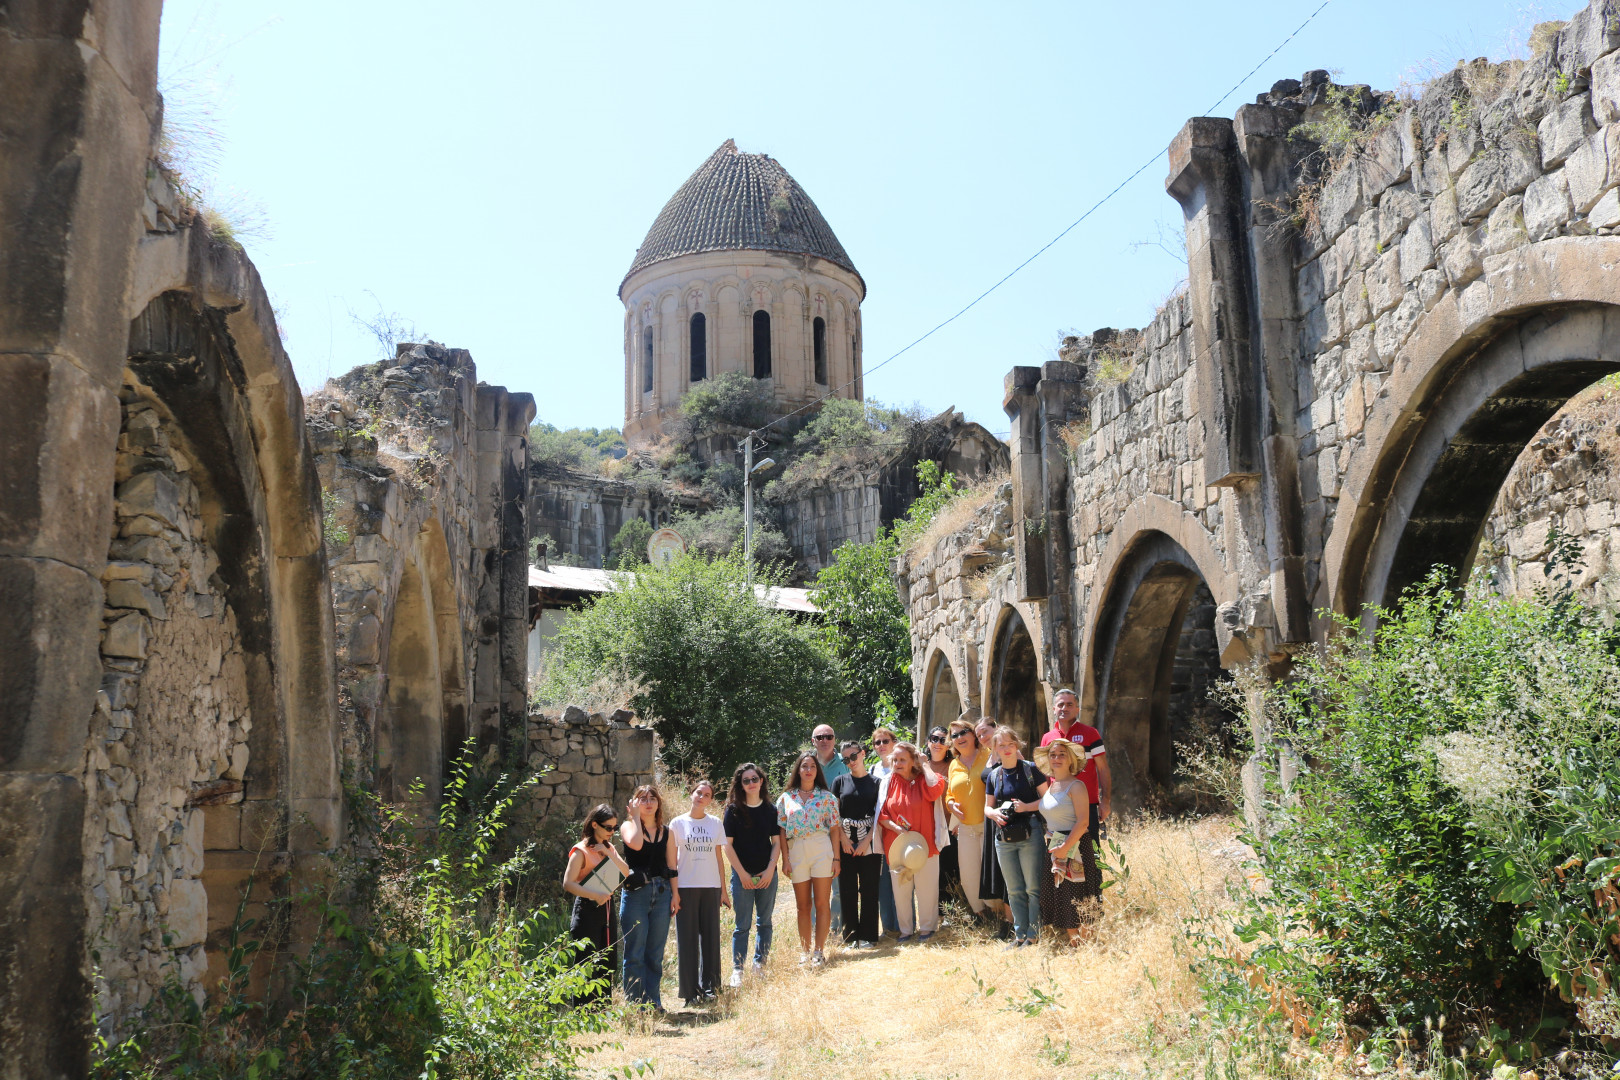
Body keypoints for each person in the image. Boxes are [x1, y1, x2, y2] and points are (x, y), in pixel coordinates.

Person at [1038, 688, 1111, 924]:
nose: (1064, 708)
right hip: (1059, 811)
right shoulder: (1048, 738)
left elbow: (1102, 768)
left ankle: (1092, 916)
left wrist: (1105, 800)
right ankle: (1066, 919)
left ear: (1077, 708)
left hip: (1084, 807)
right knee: (1061, 865)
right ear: (1054, 708)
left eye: (1069, 704)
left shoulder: (1089, 733)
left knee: (1088, 863)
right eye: (1060, 704)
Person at [875, 741, 947, 942]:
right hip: (897, 847)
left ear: (912, 761)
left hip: (926, 846)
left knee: (927, 890)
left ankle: (927, 928)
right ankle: (906, 931)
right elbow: (881, 815)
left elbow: (935, 791)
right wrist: (897, 828)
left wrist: (925, 765)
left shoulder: (925, 779)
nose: (897, 763)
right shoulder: (888, 782)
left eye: (902, 760)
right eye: (895, 759)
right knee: (901, 891)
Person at [983, 726, 1048, 947]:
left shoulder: (1031, 769)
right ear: (995, 749)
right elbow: (987, 808)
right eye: (1001, 745)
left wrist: (1027, 806)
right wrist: (994, 813)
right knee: (1014, 889)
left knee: (1032, 887)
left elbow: (1049, 799)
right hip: (1004, 838)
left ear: (1017, 744)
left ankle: (1033, 934)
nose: (1007, 748)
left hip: (1031, 833)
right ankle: (1019, 935)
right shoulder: (994, 775)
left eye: (1010, 743)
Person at [776, 751, 842, 966]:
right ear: (798, 769)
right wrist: (785, 859)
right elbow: (782, 831)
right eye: (804, 766)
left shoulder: (827, 797)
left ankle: (819, 952)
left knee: (822, 903)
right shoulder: (786, 798)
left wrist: (836, 859)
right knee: (802, 905)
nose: (808, 770)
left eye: (812, 766)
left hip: (821, 848)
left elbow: (834, 829)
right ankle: (805, 952)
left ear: (817, 770)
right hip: (797, 850)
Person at [669, 779, 730, 1006]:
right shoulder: (677, 823)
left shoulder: (715, 823)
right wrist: (674, 891)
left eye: (707, 794)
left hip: (711, 887)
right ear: (691, 794)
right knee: (687, 940)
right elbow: (672, 861)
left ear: (711, 800)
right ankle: (689, 992)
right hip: (685, 886)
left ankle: (711, 988)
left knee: (711, 939)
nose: (701, 797)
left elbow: (718, 858)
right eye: (698, 792)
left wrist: (723, 890)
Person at [563, 803, 631, 1001]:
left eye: (614, 828)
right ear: (594, 825)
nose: (612, 832)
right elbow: (568, 884)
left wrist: (609, 853)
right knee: (585, 961)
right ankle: (583, 1013)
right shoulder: (580, 851)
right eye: (608, 827)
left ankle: (601, 1010)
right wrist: (593, 894)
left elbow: (625, 872)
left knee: (605, 959)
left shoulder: (608, 848)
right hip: (586, 910)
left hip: (606, 909)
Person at [721, 762, 781, 985]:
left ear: (761, 781)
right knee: (742, 925)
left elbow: (776, 842)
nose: (751, 783)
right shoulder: (733, 810)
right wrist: (743, 875)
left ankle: (759, 964)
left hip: (767, 874)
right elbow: (727, 846)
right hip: (741, 876)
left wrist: (770, 869)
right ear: (741, 785)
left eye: (754, 779)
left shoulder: (770, 810)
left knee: (764, 922)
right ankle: (738, 969)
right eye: (746, 781)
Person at [1037, 738, 1096, 945]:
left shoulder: (1076, 785)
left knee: (1078, 894)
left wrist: (1065, 848)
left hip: (1074, 844)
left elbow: (1083, 822)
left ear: (1070, 759)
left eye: (1062, 754)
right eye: (1053, 754)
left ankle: (1085, 946)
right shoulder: (1051, 786)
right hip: (1055, 844)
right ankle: (1074, 943)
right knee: (1062, 895)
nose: (1056, 758)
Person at [618, 786, 673, 1010]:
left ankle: (653, 1001)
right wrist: (636, 818)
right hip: (636, 894)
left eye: (652, 798)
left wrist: (676, 895)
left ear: (659, 803)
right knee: (635, 952)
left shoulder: (667, 832)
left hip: (662, 892)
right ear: (634, 803)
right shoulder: (627, 826)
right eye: (642, 799)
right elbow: (637, 844)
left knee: (655, 953)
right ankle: (634, 1004)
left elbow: (672, 866)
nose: (648, 802)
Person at [830, 740, 882, 946]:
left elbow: (879, 816)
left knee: (869, 890)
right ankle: (850, 937)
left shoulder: (877, 783)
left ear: (863, 754)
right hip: (846, 843)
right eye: (845, 759)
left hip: (869, 842)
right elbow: (834, 813)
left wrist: (866, 842)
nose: (850, 762)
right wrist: (843, 839)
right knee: (847, 890)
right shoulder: (839, 782)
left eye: (853, 757)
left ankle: (868, 936)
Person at [944, 718, 991, 923]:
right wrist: (951, 804)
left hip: (989, 825)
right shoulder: (953, 765)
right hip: (965, 828)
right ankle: (983, 916)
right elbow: (950, 794)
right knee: (969, 877)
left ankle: (1001, 915)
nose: (959, 738)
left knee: (991, 872)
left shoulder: (989, 755)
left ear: (973, 734)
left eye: (963, 732)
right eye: (954, 735)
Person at [975, 716, 1012, 937]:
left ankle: (1012, 923)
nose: (982, 737)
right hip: (992, 818)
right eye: (979, 735)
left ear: (996, 729)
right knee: (999, 871)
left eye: (985, 732)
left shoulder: (1009, 753)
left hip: (1008, 817)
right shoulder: (989, 758)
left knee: (1009, 872)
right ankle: (1006, 921)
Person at [811, 723, 849, 937]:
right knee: (815, 886)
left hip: (838, 831)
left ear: (835, 739)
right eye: (820, 737)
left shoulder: (844, 763)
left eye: (829, 736)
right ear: (813, 741)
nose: (824, 740)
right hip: (813, 833)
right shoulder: (807, 765)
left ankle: (835, 929)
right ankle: (818, 931)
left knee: (837, 884)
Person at [868, 727, 901, 938]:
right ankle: (888, 927)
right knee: (883, 882)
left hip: (899, 829)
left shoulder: (902, 766)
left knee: (902, 878)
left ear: (893, 742)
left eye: (885, 741)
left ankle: (905, 925)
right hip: (879, 830)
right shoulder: (872, 770)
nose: (881, 745)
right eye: (877, 742)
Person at [925, 726, 962, 905]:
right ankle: (935, 911)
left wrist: (957, 822)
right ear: (928, 742)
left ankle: (951, 911)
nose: (938, 744)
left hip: (949, 827)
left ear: (948, 745)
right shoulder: (920, 767)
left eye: (942, 740)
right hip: (926, 828)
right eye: (934, 739)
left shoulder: (954, 765)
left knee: (949, 870)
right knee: (931, 873)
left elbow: (960, 795)